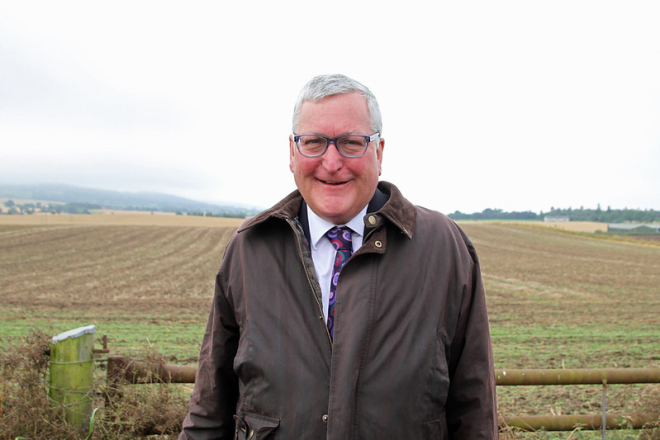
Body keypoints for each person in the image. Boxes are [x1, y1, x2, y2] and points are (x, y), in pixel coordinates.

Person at [179, 74, 498, 439]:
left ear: (378, 153)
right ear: (292, 152)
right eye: (313, 142)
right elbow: (210, 406)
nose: (331, 163)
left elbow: (474, 408)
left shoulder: (444, 248)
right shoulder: (250, 249)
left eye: (351, 143)